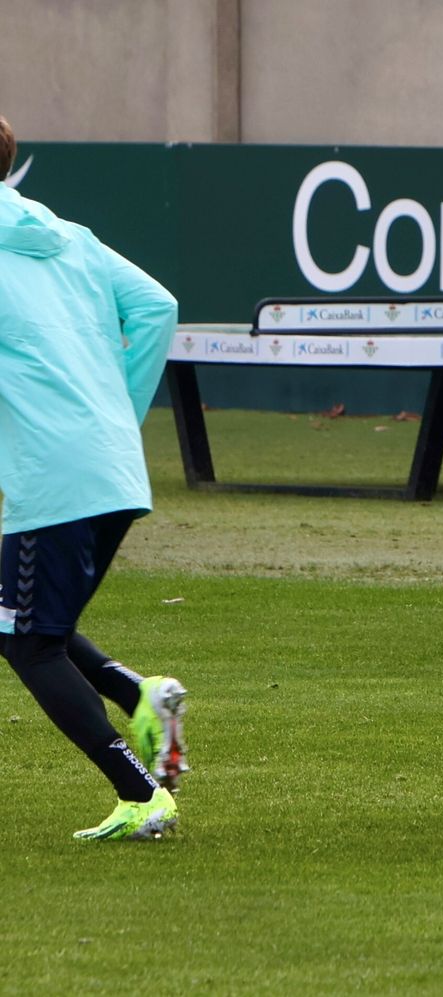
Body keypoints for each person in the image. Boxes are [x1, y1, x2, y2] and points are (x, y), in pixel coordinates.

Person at [0, 114, 190, 840]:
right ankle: (140, 694)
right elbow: (157, 306)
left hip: (54, 475)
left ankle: (142, 791)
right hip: (112, 464)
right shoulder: (68, 234)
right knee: (14, 619)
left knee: (31, 643)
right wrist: (116, 409)